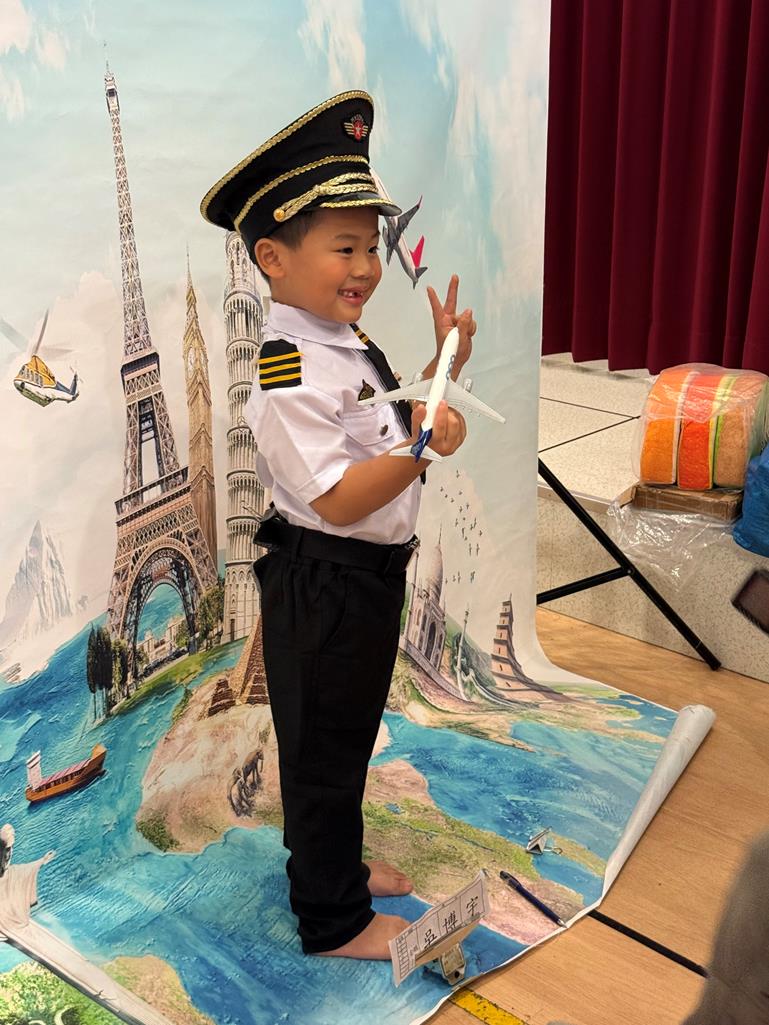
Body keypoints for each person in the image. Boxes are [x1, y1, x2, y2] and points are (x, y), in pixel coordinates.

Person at [200, 91, 474, 959]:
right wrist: (422, 445)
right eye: (342, 247)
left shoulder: (342, 342)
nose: (364, 267)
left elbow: (384, 431)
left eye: (369, 247)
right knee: (322, 752)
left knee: (345, 738)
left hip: (365, 580)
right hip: (324, 581)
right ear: (272, 258)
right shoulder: (286, 366)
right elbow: (339, 499)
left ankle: (338, 866)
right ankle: (333, 919)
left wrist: (441, 373)